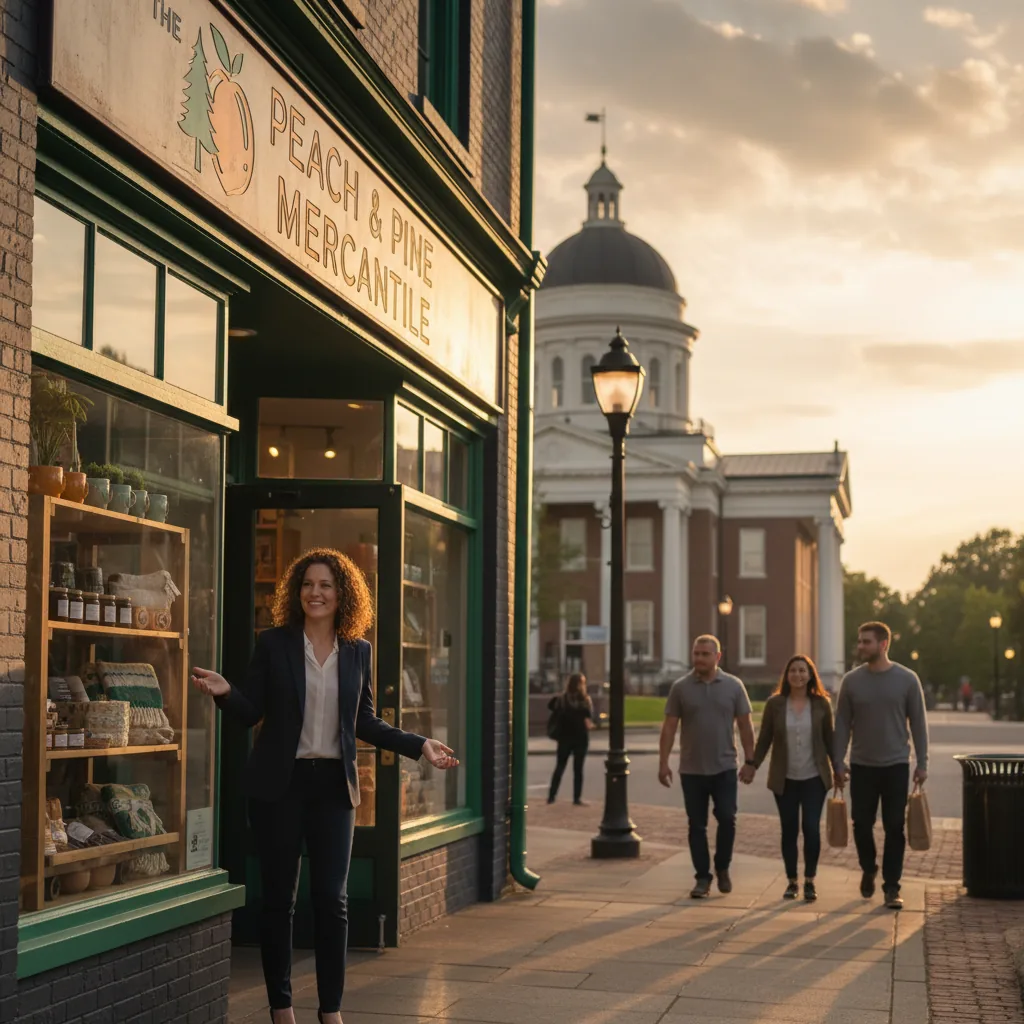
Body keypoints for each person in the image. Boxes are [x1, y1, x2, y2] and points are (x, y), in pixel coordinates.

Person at [191, 548, 459, 1024]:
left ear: (343, 595)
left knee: (332, 901)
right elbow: (252, 712)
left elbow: (366, 722)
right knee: (279, 901)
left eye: (326, 585)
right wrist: (227, 692)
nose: (316, 593)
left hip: (335, 787)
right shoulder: (274, 644)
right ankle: (281, 1007)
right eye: (308, 585)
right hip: (281, 786)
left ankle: (331, 1009)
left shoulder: (358, 650)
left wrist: (420, 746)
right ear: (297, 592)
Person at [833, 620, 929, 912]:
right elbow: (841, 725)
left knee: (894, 826)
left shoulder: (907, 679)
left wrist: (922, 763)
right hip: (862, 766)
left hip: (896, 765)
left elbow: (919, 724)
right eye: (860, 641)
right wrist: (837, 761)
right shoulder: (851, 681)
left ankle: (891, 887)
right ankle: (868, 867)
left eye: (866, 642)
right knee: (861, 824)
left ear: (883, 644)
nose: (861, 646)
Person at [658, 635, 755, 898]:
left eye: (704, 654)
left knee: (727, 818)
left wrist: (750, 761)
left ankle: (722, 867)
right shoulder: (681, 687)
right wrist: (663, 762)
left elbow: (746, 725)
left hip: (724, 767)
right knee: (696, 825)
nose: (699, 658)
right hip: (691, 769)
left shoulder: (734, 686)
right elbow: (669, 727)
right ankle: (702, 877)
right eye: (696, 653)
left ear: (717, 657)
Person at [744, 655, 835, 902]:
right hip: (784, 778)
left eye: (802, 671)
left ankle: (810, 881)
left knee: (811, 829)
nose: (798, 675)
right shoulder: (775, 704)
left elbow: (830, 739)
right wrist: (752, 764)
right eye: (793, 670)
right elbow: (765, 739)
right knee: (789, 830)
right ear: (787, 675)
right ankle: (792, 881)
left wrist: (838, 768)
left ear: (810, 674)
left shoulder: (821, 704)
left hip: (815, 777)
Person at [547, 672, 594, 805]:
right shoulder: (584, 700)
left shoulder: (561, 699)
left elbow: (551, 707)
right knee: (578, 769)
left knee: (560, 767)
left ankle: (551, 796)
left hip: (564, 737)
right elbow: (589, 718)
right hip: (580, 737)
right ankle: (576, 798)